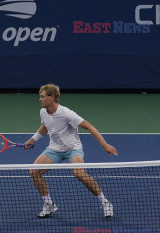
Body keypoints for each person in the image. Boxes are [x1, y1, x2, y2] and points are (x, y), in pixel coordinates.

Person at [24, 84, 118, 218]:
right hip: (54, 149)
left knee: (79, 173)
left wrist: (104, 144)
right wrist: (33, 139)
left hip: (73, 149)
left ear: (52, 98)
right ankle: (49, 204)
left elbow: (89, 126)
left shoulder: (66, 113)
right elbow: (45, 126)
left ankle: (105, 202)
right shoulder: (43, 112)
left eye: (42, 96)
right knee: (34, 172)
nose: (40, 99)